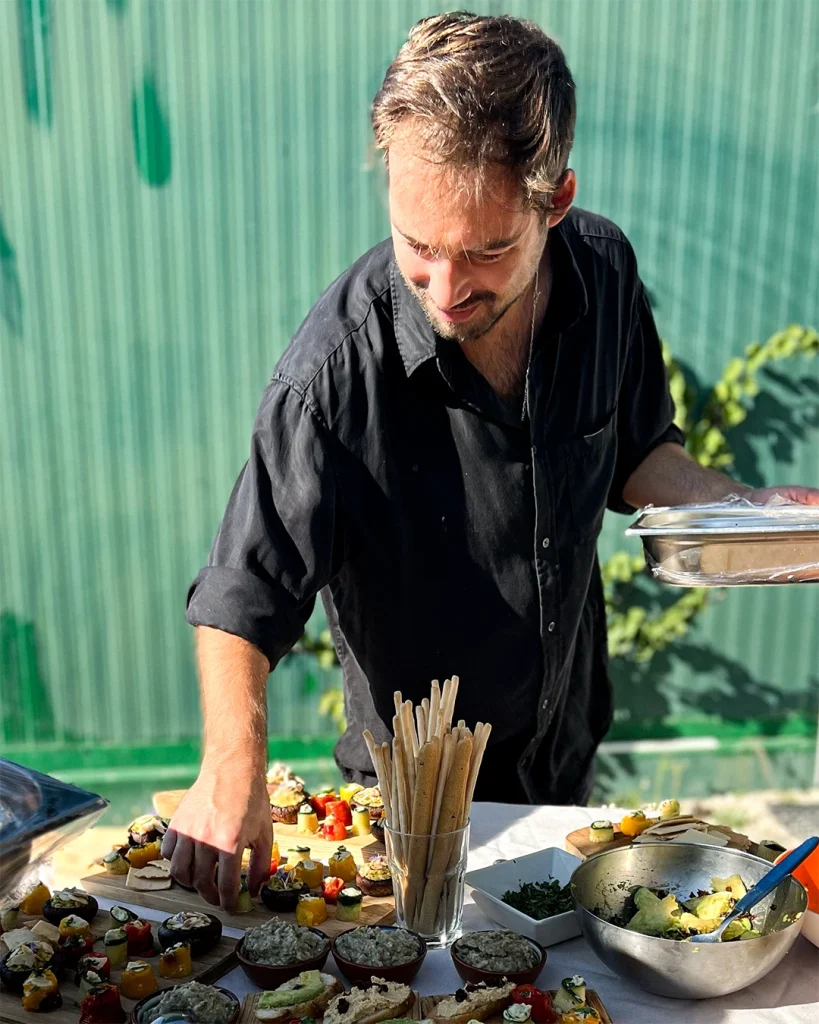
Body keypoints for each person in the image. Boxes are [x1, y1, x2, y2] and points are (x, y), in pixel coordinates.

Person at [162, 12, 819, 910]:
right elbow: (242, 592)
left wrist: (749, 514)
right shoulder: (332, 374)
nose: (444, 290)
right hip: (412, 806)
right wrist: (230, 766)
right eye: (417, 247)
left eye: (485, 251)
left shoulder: (603, 272)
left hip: (563, 758)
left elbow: (639, 454)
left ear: (554, 201)